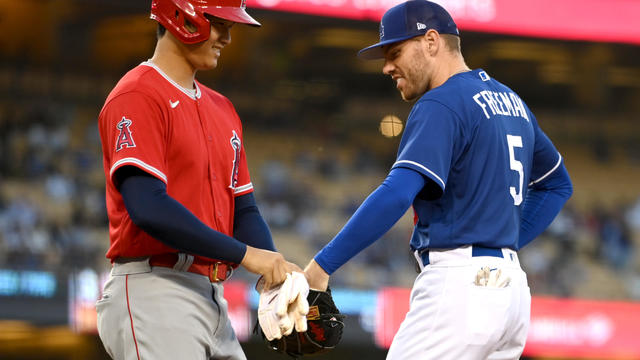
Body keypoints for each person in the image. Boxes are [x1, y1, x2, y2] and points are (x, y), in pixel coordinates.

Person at [303, 1, 573, 359]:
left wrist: (321, 266)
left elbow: (397, 192)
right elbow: (557, 185)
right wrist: (500, 246)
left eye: (395, 52)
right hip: (511, 294)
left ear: (431, 41)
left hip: (459, 289)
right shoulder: (512, 102)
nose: (387, 67)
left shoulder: (441, 103)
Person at [96, 1, 300, 359]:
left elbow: (244, 210)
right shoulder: (138, 95)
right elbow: (148, 208)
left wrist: (275, 272)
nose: (227, 37)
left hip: (210, 294)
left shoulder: (223, 108)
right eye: (219, 23)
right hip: (154, 291)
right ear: (182, 16)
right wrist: (247, 256)